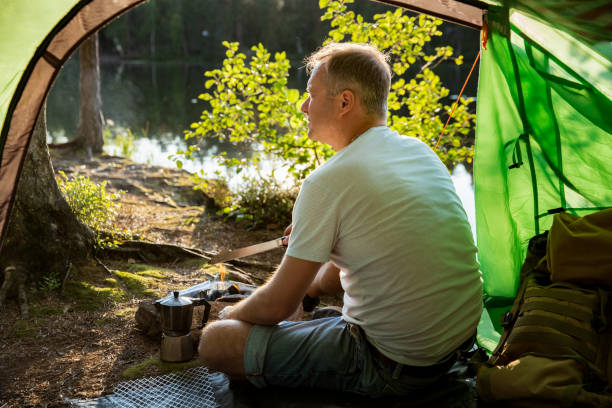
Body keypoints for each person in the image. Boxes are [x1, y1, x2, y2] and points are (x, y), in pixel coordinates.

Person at [198, 42, 482, 396]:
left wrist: (232, 316)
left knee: (216, 340)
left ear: (345, 102)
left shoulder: (328, 181)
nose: (303, 107)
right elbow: (363, 256)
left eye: (311, 95)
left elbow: (276, 307)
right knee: (302, 306)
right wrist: (312, 286)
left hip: (394, 365)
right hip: (458, 348)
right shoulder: (419, 151)